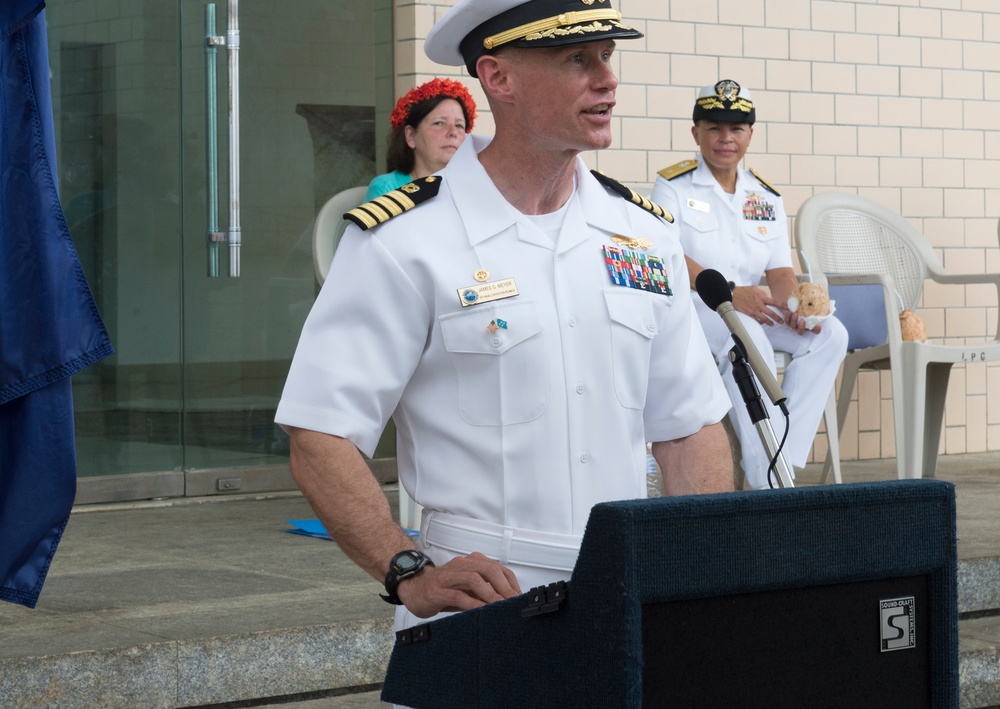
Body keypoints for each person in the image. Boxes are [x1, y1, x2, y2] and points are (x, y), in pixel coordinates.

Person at [275, 0, 734, 637]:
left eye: (607, 56)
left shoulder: (642, 235)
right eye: (577, 59)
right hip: (482, 603)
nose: (607, 79)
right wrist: (407, 570)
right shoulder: (407, 239)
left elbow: (688, 427)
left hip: (625, 591)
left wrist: (701, 571)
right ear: (498, 78)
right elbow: (320, 432)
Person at [651, 80, 848, 490]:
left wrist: (794, 304)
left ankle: (784, 456)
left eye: (737, 129)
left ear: (750, 135)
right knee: (751, 337)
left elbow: (778, 270)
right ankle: (768, 480)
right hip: (699, 306)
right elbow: (666, 254)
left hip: (752, 303)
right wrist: (730, 293)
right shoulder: (673, 186)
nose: (726, 138)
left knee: (829, 334)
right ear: (696, 133)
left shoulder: (765, 195)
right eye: (715, 128)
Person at [363, 77, 477, 202]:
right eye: (439, 123)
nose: (453, 132)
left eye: (459, 125)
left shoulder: (472, 188)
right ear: (410, 136)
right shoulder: (386, 189)